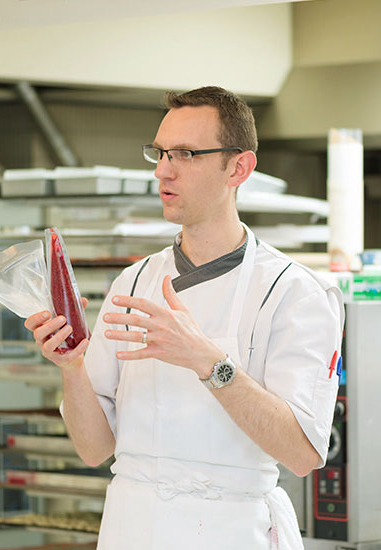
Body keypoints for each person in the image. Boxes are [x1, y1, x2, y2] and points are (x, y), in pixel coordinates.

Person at [25, 86, 344, 550]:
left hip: (228, 532)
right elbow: (94, 449)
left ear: (239, 168)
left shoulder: (293, 292)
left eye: (185, 154)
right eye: (159, 153)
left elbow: (302, 454)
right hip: (131, 529)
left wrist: (207, 362)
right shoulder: (133, 282)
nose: (162, 170)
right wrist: (71, 367)